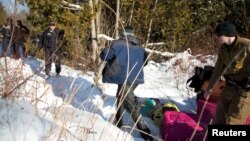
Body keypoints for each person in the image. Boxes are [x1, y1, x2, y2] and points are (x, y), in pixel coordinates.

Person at [100, 26, 153, 141]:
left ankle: (145, 132)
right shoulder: (140, 46)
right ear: (132, 34)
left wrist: (106, 47)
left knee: (129, 104)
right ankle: (119, 122)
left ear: (122, 33)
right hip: (135, 79)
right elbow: (146, 61)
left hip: (124, 78)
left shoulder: (116, 43)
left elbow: (104, 56)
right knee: (120, 97)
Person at [203, 21, 250, 124]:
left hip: (245, 92)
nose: (215, 40)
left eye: (217, 37)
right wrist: (209, 88)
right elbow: (217, 70)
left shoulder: (246, 45)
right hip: (229, 88)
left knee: (233, 122)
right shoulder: (223, 49)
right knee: (219, 119)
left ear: (226, 34)